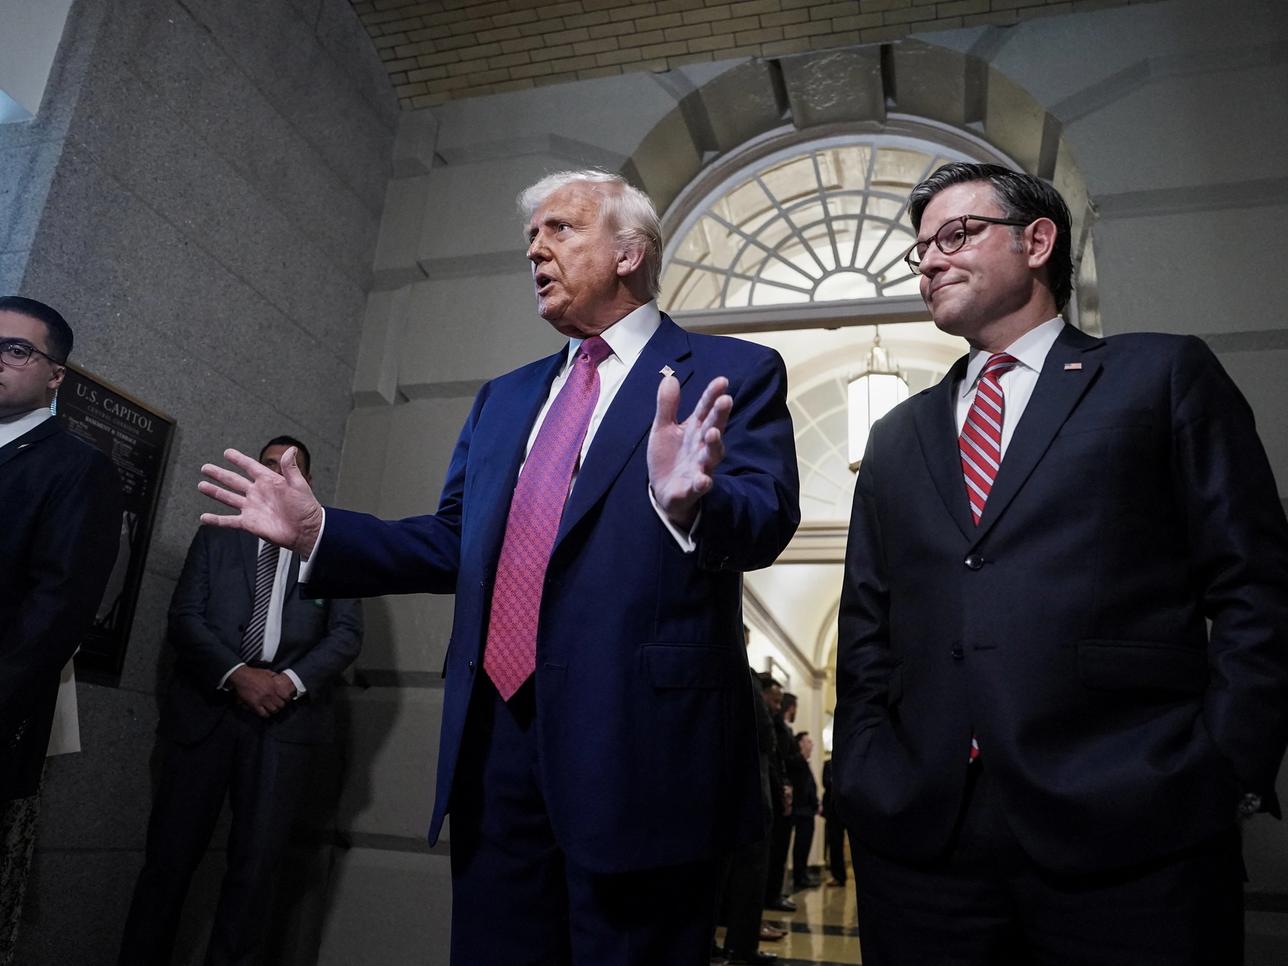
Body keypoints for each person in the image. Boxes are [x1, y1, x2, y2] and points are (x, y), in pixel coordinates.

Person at [197, 170, 800, 965]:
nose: (536, 251)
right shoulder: (505, 399)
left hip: (640, 753)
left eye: (560, 230)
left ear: (629, 252)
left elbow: (763, 523)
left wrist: (691, 504)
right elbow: (456, 541)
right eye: (530, 237)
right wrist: (320, 534)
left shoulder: (732, 370)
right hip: (494, 742)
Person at [833, 161, 1288, 965]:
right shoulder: (897, 437)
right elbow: (868, 626)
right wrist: (867, 766)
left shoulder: (1159, 374)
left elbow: (1255, 580)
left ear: (1037, 241)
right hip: (924, 835)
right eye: (920, 249)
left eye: (957, 234)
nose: (930, 259)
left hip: (1133, 817)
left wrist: (1226, 763)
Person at [118, 437, 363, 966]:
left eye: (290, 468)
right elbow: (186, 616)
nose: (277, 475)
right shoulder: (217, 537)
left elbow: (344, 635)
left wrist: (287, 682)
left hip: (285, 723)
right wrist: (237, 675)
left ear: (308, 483)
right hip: (205, 716)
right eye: (269, 466)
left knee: (256, 872)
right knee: (168, 863)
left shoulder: (331, 548)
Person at [0, 296, 123, 964]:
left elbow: (54, 618)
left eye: (16, 349)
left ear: (55, 376)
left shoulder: (78, 469)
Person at [764, 690, 798, 909]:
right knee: (773, 852)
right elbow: (778, 760)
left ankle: (774, 892)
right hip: (775, 793)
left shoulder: (782, 728)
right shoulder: (774, 726)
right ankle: (771, 896)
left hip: (782, 790)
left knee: (779, 851)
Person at [788, 732, 819, 892]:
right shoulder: (797, 762)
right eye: (808, 741)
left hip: (807, 811)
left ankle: (803, 875)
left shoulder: (804, 763)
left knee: (805, 845)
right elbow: (801, 789)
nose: (811, 744)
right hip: (802, 812)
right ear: (800, 743)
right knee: (801, 846)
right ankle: (799, 877)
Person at [820, 756, 846, 887]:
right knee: (834, 843)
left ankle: (841, 876)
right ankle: (838, 876)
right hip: (832, 810)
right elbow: (826, 783)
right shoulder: (828, 764)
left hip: (846, 808)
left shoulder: (848, 761)